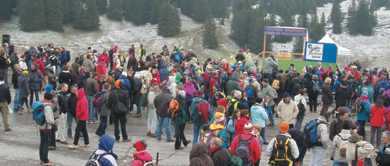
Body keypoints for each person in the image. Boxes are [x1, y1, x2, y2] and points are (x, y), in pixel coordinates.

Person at [39, 92, 55, 166]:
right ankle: (45, 160)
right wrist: (53, 122)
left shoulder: (42, 104)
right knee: (46, 143)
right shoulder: (48, 107)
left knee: (42, 143)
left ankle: (41, 158)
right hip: (47, 127)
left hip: (41, 126)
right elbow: (49, 119)